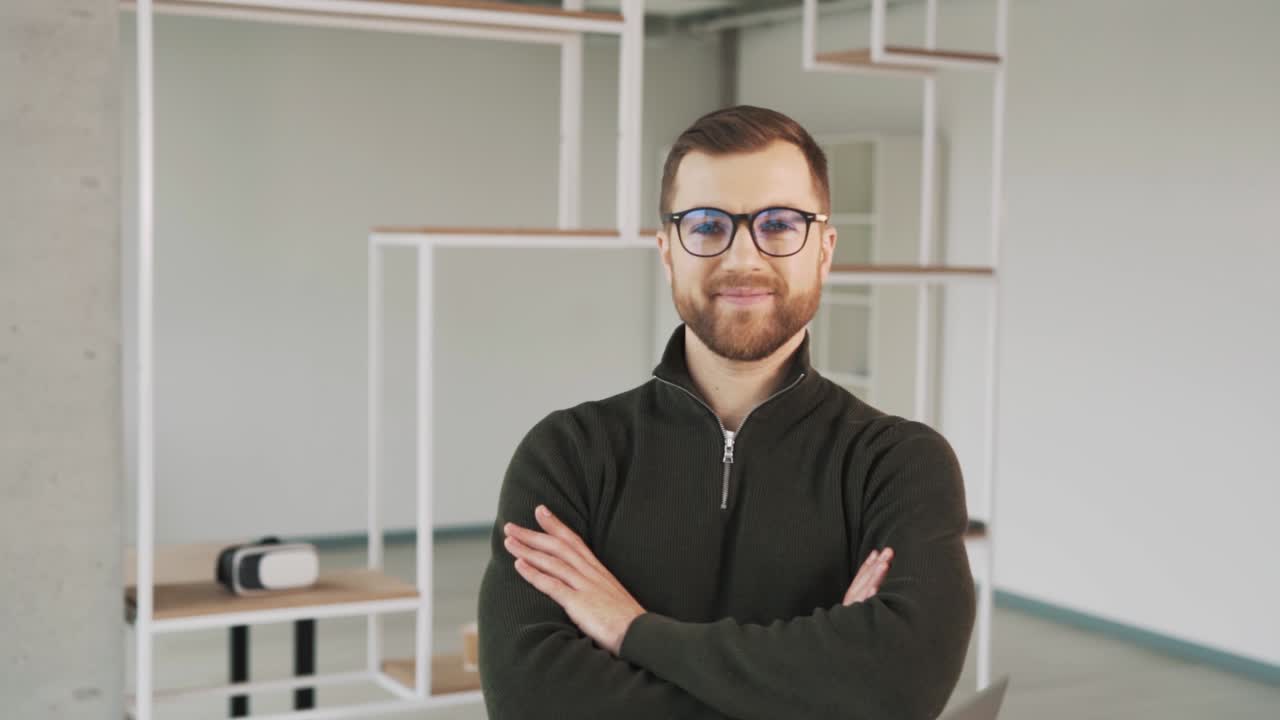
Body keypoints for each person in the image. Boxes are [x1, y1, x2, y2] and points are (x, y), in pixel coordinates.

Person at [476, 105, 975, 720]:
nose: (743, 259)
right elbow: (529, 700)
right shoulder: (570, 455)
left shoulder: (897, 465)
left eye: (780, 224)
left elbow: (899, 686)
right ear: (667, 251)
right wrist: (817, 690)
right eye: (708, 225)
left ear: (824, 250)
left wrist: (633, 631)